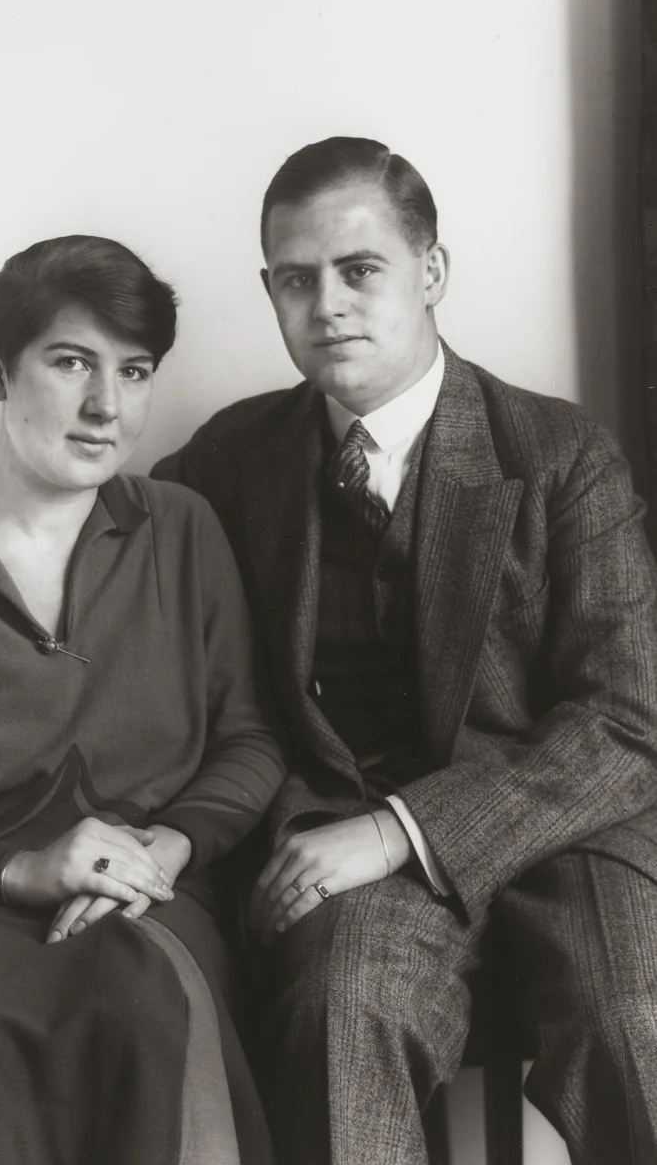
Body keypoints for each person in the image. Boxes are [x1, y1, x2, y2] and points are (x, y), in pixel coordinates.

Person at [153, 137, 657, 1165]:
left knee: (634, 1015)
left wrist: (401, 830)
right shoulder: (228, 460)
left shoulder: (558, 454)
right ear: (269, 291)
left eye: (359, 270)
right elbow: (109, 543)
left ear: (430, 273)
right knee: (341, 1013)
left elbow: (625, 721)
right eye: (296, 280)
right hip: (339, 845)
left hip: (564, 834)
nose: (327, 303)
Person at [0, 234, 284, 1165]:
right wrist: (24, 870)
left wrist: (169, 845)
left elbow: (250, 741)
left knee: (147, 1009)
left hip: (142, 897)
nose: (107, 406)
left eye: (135, 371)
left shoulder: (184, 531)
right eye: (71, 363)